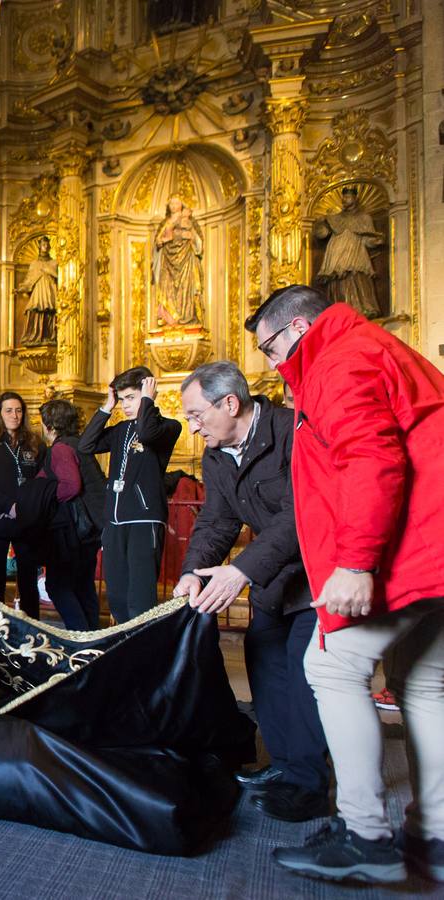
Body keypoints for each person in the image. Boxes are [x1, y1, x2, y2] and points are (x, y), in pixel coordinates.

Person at [248, 285, 444, 885]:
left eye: (272, 348)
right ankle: (434, 834)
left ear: (299, 328)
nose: (274, 365)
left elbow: (371, 459)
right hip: (434, 547)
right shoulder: (372, 347)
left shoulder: (339, 360)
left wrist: (356, 562)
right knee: (425, 684)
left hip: (409, 549)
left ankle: (366, 837)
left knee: (331, 668)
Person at [173, 361, 329, 824]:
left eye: (197, 415)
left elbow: (300, 516)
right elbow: (218, 521)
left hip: (316, 576)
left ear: (230, 403)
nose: (192, 426)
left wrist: (240, 571)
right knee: (266, 670)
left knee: (305, 683)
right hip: (274, 580)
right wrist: (192, 573)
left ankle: (309, 784)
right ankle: (283, 766)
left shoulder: (292, 432)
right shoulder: (216, 453)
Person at [81, 366, 182, 624]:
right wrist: (107, 406)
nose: (125, 405)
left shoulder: (168, 427)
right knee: (116, 597)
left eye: (131, 398)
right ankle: (125, 652)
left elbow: (147, 433)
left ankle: (144, 656)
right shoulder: (121, 430)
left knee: (140, 599)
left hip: (143, 520)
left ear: (148, 392)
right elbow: (86, 445)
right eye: (122, 399)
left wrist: (148, 401)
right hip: (114, 523)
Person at [0, 391, 46, 617]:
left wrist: (27, 508)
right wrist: (9, 507)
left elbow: (42, 481)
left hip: (27, 520)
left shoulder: (35, 444)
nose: (15, 415)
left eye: (19, 410)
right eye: (9, 410)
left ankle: (32, 630)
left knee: (28, 580)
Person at [36, 399, 106, 631]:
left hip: (72, 533)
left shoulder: (61, 448)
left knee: (58, 586)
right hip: (91, 531)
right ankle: (91, 639)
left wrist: (44, 496)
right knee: (83, 586)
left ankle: (80, 636)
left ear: (49, 425)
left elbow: (71, 486)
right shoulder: (78, 444)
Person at [313, 185, 383, 319]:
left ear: (355, 198)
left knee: (356, 276)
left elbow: (368, 239)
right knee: (338, 279)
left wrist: (376, 241)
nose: (345, 200)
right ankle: (339, 310)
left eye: (348, 196)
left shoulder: (364, 218)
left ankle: (361, 308)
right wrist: (321, 223)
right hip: (336, 253)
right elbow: (322, 234)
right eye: (344, 197)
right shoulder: (335, 218)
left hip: (355, 252)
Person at [152, 195, 204, 327]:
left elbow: (198, 242)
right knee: (167, 287)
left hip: (186, 259)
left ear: (182, 205)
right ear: (168, 206)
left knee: (187, 287)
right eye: (172, 203)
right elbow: (158, 242)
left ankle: (187, 317)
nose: (174, 206)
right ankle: (168, 318)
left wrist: (191, 237)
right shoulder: (165, 223)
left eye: (177, 203)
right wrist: (162, 241)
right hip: (167, 263)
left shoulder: (188, 221)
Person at [19, 236, 58, 344]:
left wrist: (49, 271)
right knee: (35, 311)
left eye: (46, 245)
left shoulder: (54, 263)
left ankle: (50, 336)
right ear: (39, 246)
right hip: (38, 292)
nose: (45, 247)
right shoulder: (34, 263)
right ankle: (35, 336)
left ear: (49, 246)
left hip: (50, 291)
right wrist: (22, 288)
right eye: (43, 244)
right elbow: (29, 279)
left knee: (50, 311)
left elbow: (60, 278)